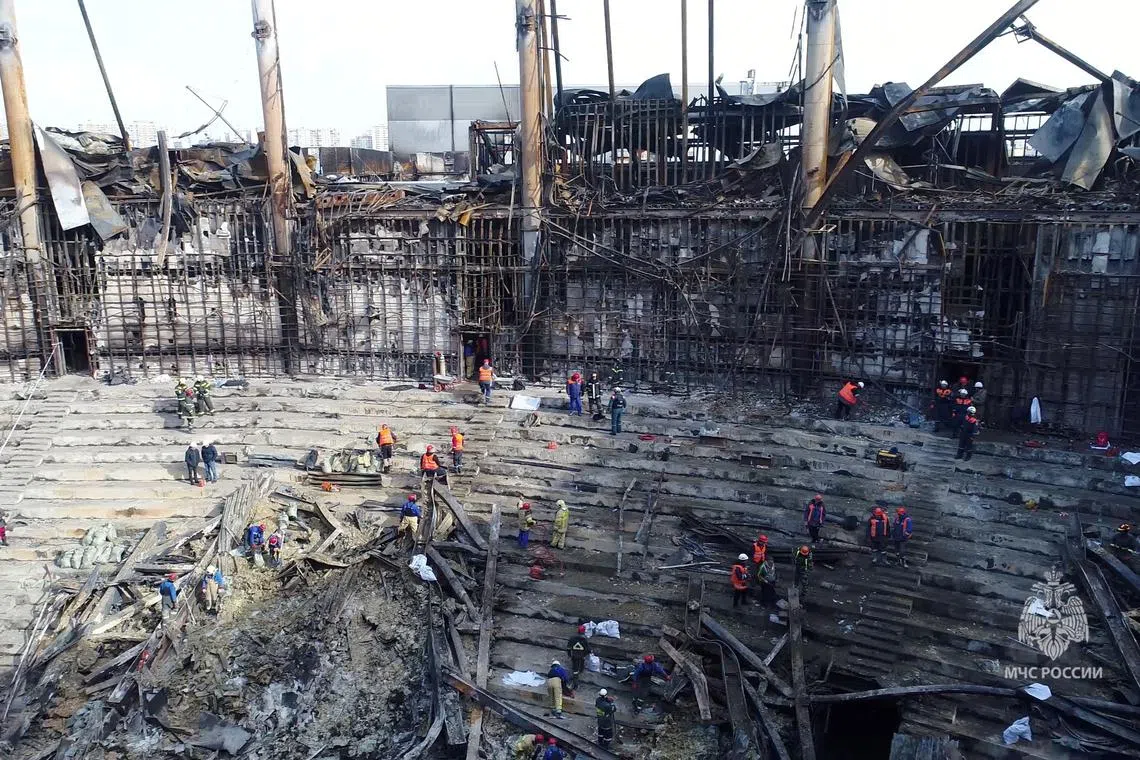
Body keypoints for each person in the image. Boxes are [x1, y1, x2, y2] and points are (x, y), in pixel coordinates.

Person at [567, 624, 591, 689]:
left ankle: (576, 676)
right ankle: (575, 684)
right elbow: (588, 650)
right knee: (578, 669)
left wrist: (569, 655)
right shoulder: (584, 639)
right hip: (581, 657)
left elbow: (568, 648)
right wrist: (584, 655)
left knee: (575, 669)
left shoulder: (572, 638)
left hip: (574, 656)